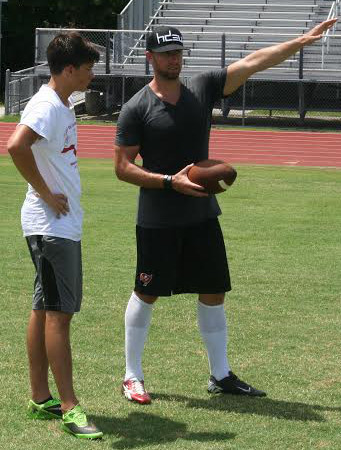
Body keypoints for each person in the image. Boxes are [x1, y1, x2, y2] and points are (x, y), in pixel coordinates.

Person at [114, 20, 336, 405]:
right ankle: (132, 375)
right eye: (166, 54)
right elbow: (123, 167)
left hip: (201, 214)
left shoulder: (202, 88)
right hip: (159, 217)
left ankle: (220, 374)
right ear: (150, 58)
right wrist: (169, 181)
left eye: (178, 53)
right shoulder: (137, 107)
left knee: (214, 291)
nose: (174, 60)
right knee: (147, 291)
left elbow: (254, 62)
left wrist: (301, 41)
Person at [7, 32, 103, 439]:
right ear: (69, 69)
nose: (91, 74)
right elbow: (15, 145)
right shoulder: (47, 104)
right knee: (59, 314)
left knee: (44, 307)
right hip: (51, 227)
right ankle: (69, 407)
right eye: (87, 67)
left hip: (56, 226)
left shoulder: (62, 104)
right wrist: (46, 193)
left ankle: (40, 396)